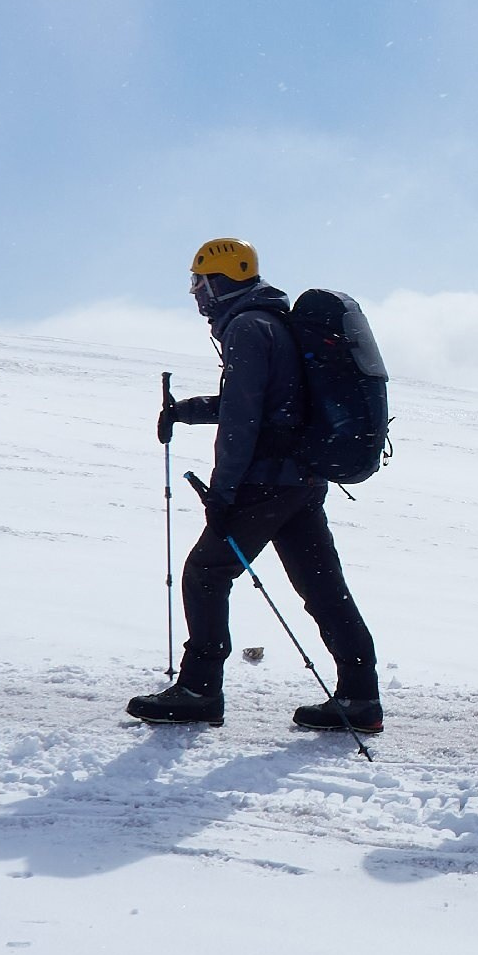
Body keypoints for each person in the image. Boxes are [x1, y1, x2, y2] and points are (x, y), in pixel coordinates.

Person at [130, 239, 381, 733]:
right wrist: (184, 411)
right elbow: (261, 404)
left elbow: (243, 420)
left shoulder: (248, 328)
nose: (194, 293)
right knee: (322, 588)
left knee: (205, 572)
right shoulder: (273, 321)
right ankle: (359, 695)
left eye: (198, 282)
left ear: (219, 282)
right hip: (301, 481)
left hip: (266, 483)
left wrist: (223, 495)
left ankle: (200, 690)